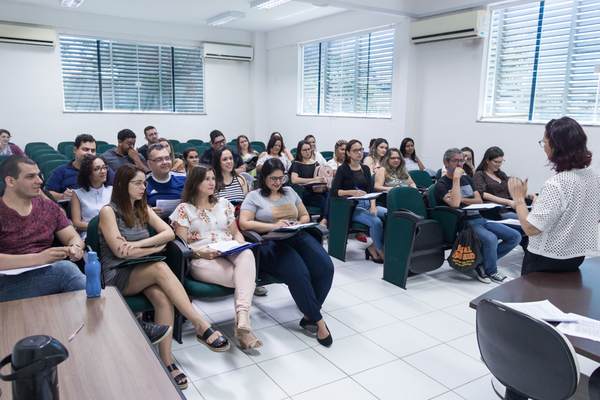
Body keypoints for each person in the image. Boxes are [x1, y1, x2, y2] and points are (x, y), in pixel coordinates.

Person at [98, 164, 231, 390]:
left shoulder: (143, 209)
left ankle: (167, 362)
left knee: (162, 298)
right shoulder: (108, 211)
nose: (143, 187)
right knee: (160, 268)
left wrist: (139, 245)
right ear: (121, 185)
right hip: (116, 274)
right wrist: (153, 249)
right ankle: (200, 325)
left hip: (142, 269)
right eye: (138, 183)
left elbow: (169, 234)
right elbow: (120, 252)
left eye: (144, 183)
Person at [239, 158, 334, 347]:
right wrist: (273, 225)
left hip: (296, 235)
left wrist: (300, 221)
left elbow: (305, 214)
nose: (277, 182)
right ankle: (319, 322)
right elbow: (244, 223)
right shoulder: (254, 196)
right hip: (270, 240)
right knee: (299, 273)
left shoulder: (290, 192)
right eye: (273, 178)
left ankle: (308, 314)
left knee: (326, 267)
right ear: (263, 177)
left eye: (281, 178)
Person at [170, 165, 262, 350]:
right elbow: (182, 244)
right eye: (206, 179)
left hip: (229, 250)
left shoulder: (224, 204)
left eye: (213, 178)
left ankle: (242, 315)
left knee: (247, 252)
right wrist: (200, 252)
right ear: (195, 183)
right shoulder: (184, 209)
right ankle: (243, 326)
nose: (212, 183)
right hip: (203, 257)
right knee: (245, 279)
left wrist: (239, 243)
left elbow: (235, 233)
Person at [508, 117, 600, 276]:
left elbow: (531, 229)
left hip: (546, 259)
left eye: (544, 143)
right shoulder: (594, 177)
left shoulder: (557, 183)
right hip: (576, 257)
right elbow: (592, 216)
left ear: (556, 146)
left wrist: (518, 199)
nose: (544, 148)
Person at [0, 155, 86, 302]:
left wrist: (75, 247)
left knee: (67, 271)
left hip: (44, 274)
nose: (40, 181)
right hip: (6, 281)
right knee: (65, 271)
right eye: (30, 176)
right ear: (10, 181)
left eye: (39, 175)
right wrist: (39, 258)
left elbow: (73, 237)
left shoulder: (48, 207)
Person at [435, 148, 521, 284]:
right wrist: (456, 179)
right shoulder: (441, 185)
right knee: (491, 239)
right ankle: (492, 271)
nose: (459, 165)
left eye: (461, 161)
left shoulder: (468, 179)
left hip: (479, 217)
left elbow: (478, 200)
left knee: (515, 236)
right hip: (463, 221)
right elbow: (455, 204)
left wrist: (462, 199)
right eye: (454, 161)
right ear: (446, 162)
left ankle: (480, 263)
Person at [332, 139, 386, 263]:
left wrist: (373, 206)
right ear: (348, 153)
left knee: (392, 216)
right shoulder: (343, 169)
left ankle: (373, 247)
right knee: (376, 222)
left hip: (368, 203)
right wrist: (351, 192)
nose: (359, 153)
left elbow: (371, 190)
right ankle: (381, 251)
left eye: (361, 149)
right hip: (353, 207)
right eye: (355, 150)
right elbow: (334, 191)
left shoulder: (365, 169)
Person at [46, 134, 115, 201]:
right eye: (86, 149)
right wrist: (62, 196)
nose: (90, 153)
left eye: (93, 150)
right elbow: (47, 193)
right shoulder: (61, 171)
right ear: (75, 150)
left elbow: (117, 188)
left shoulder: (104, 170)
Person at [474, 146, 536, 218]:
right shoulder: (480, 175)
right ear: (487, 160)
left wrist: (532, 196)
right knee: (528, 220)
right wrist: (508, 202)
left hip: (509, 209)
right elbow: (482, 194)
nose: (499, 164)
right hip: (497, 212)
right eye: (496, 162)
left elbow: (512, 191)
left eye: (501, 162)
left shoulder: (501, 174)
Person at [71, 154, 113, 240]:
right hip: (90, 234)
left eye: (104, 167)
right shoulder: (77, 194)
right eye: (97, 169)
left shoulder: (112, 190)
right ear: (88, 173)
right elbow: (77, 223)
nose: (103, 171)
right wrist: (100, 225)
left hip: (113, 232)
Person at [290, 140, 330, 228]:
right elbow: (294, 180)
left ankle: (324, 221)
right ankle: (324, 221)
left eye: (309, 149)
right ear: (299, 151)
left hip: (319, 189)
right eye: (304, 150)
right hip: (306, 193)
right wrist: (313, 180)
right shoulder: (297, 164)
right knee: (324, 201)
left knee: (331, 196)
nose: (308, 152)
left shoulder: (315, 163)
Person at [145, 143, 186, 217]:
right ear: (149, 164)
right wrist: (146, 211)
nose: (165, 162)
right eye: (159, 159)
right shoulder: (143, 181)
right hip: (153, 223)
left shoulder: (184, 178)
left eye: (167, 158)